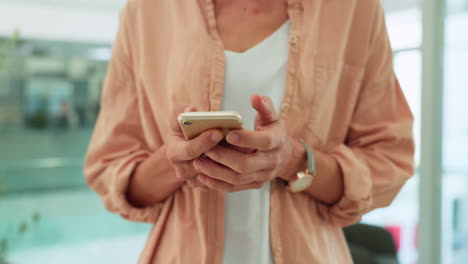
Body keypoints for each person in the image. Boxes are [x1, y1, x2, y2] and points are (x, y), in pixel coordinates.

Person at [84, 0, 415, 263]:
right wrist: (176, 163)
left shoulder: (355, 9)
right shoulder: (146, 11)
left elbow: (389, 159)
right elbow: (109, 167)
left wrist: (292, 161)